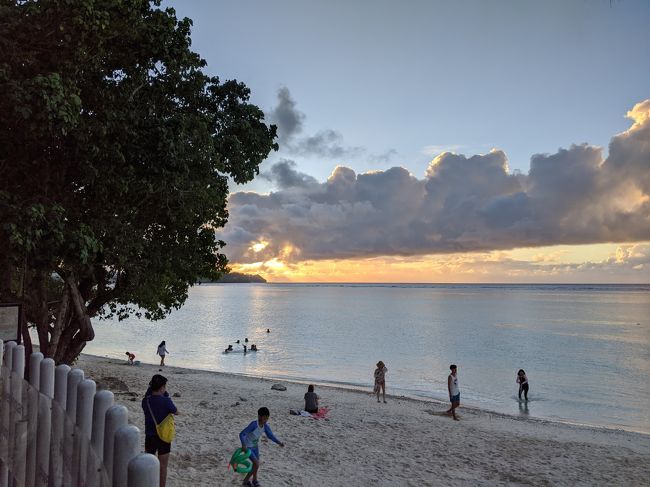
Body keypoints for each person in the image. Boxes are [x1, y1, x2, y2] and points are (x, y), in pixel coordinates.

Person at [142, 374, 179, 487]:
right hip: (164, 436)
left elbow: (148, 395)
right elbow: (175, 411)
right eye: (165, 387)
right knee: (163, 467)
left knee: (148, 464)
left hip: (150, 435)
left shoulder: (145, 401)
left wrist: (152, 389)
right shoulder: (166, 401)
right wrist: (166, 395)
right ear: (162, 387)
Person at [239, 407, 285, 487]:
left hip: (255, 446)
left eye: (267, 418)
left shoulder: (265, 426)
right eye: (264, 418)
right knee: (256, 464)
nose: (266, 420)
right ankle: (245, 481)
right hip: (248, 447)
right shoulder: (253, 424)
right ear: (259, 416)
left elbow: (270, 436)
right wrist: (243, 444)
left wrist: (279, 442)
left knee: (256, 465)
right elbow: (242, 434)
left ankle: (254, 480)